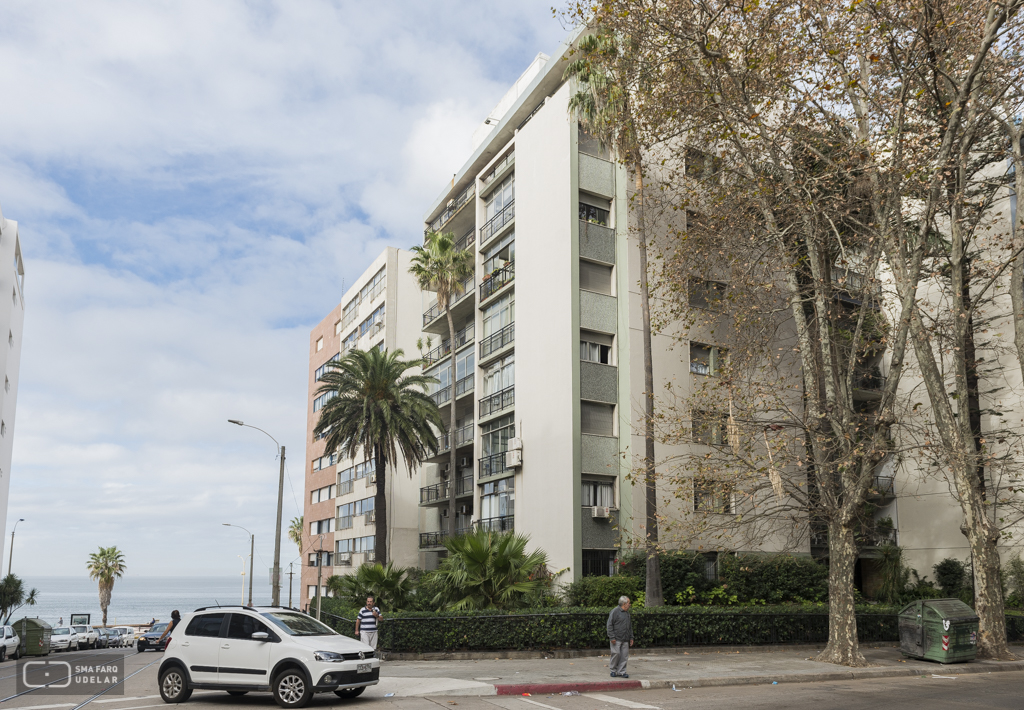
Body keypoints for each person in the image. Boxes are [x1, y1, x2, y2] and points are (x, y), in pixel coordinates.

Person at [606, 596, 634, 678]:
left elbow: (630, 626)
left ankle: (621, 671)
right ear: (624, 604)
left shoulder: (627, 613)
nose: (630, 604)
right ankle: (613, 670)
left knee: (624, 656)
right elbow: (609, 624)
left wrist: (631, 637)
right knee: (616, 654)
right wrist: (612, 637)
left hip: (625, 638)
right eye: (629, 603)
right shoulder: (615, 611)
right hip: (616, 638)